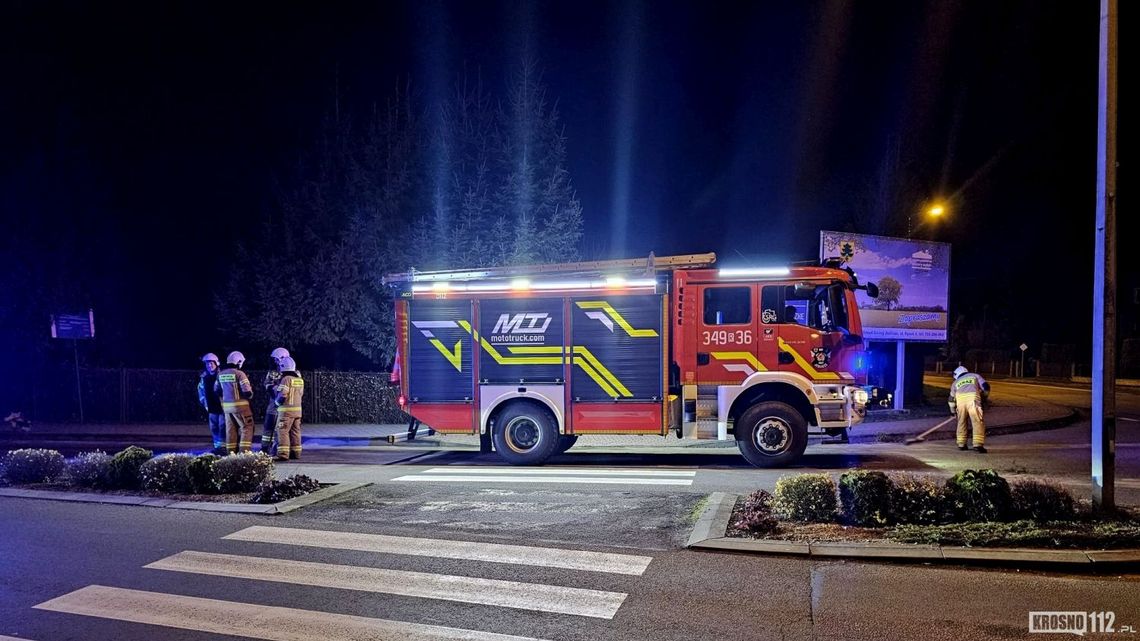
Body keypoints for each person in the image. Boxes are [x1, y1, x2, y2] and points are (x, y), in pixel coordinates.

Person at [215, 351, 255, 454]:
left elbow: (216, 390)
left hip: (227, 408)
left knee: (230, 430)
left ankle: (231, 453)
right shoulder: (239, 373)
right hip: (241, 407)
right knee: (247, 427)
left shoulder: (221, 374)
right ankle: (244, 453)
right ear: (239, 362)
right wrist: (250, 395)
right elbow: (247, 391)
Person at [949, 365, 991, 453]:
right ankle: (978, 445)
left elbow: (951, 400)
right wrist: (984, 397)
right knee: (977, 421)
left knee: (961, 422)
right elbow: (986, 387)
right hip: (973, 401)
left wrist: (953, 412)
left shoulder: (955, 382)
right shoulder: (975, 376)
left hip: (960, 403)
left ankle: (961, 444)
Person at [273, 356, 304, 461]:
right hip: (298, 411)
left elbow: (283, 394)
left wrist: (276, 403)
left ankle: (283, 454)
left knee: (282, 431)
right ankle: (296, 453)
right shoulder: (299, 380)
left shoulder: (286, 379)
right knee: (295, 432)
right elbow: (301, 394)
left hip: (286, 412)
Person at [261, 347, 291, 455]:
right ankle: (264, 448)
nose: (276, 362)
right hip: (273, 404)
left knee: (280, 429)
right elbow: (267, 384)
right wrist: (272, 388)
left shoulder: (292, 372)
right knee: (268, 426)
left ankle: (277, 449)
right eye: (275, 360)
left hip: (285, 406)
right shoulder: (272, 372)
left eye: (277, 359)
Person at [196, 353, 226, 453]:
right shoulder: (204, 377)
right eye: (207, 364)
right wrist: (205, 403)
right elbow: (201, 390)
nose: (209, 366)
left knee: (222, 426)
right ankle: (217, 446)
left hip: (222, 406)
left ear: (216, 363)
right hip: (211, 406)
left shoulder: (222, 375)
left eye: (211, 363)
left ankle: (223, 446)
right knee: (214, 427)